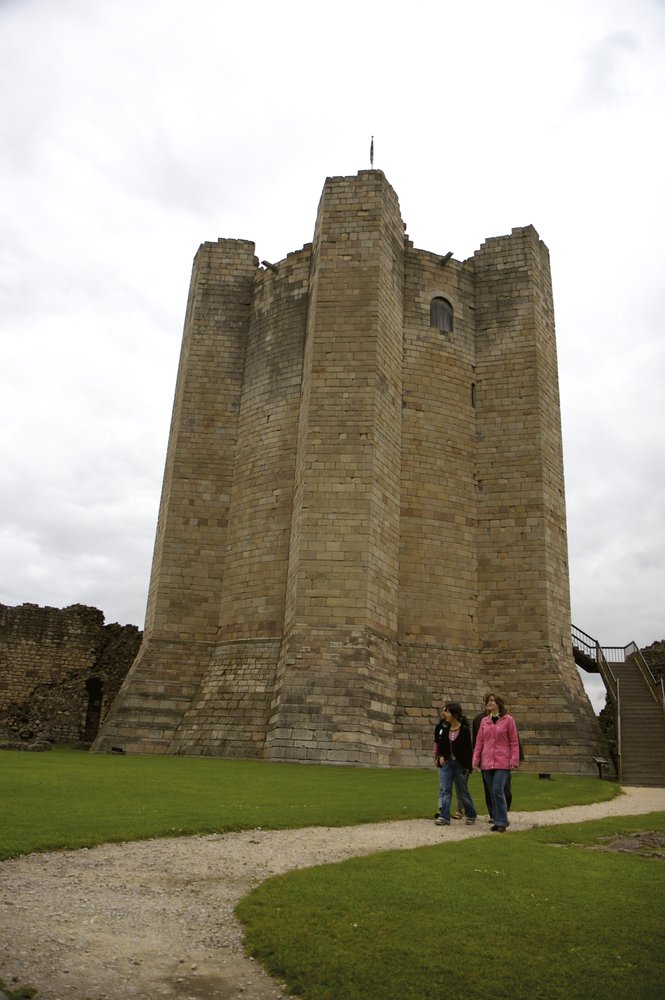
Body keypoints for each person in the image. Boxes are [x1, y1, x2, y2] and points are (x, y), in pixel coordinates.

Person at [472, 693, 519, 832]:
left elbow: (514, 741)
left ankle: (502, 821)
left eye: (492, 701)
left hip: (502, 761)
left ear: (499, 703)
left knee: (498, 790)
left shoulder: (508, 720)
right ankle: (497, 820)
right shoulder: (484, 721)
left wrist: (514, 759)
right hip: (487, 762)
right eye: (488, 701)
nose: (489, 703)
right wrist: (475, 759)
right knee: (492, 792)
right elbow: (479, 742)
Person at [434, 702, 477, 826]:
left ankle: (471, 815)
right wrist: (441, 756)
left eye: (447, 712)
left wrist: (468, 767)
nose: (444, 714)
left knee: (462, 790)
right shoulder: (445, 729)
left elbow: (468, 750)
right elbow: (441, 745)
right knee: (446, 790)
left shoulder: (464, 730)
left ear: (454, 714)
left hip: (460, 765)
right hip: (447, 764)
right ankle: (444, 817)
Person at [433, 707, 464, 820]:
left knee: (460, 787)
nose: (443, 713)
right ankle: (442, 810)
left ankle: (461, 810)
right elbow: (437, 742)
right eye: (443, 711)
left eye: (446, 711)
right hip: (443, 760)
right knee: (443, 786)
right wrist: (436, 755)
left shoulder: (461, 727)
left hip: (457, 761)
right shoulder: (440, 727)